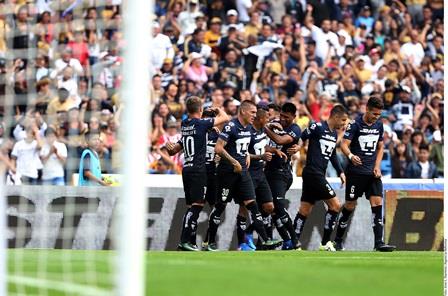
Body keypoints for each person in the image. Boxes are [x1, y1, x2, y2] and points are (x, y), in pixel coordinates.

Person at [204, 101, 283, 251]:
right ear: (243, 112)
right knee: (220, 206)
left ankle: (265, 239)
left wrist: (246, 155)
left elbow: (241, 147)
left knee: (252, 205)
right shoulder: (231, 126)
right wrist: (234, 161)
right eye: (252, 112)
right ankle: (210, 241)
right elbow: (218, 148)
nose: (255, 115)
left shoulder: (247, 129)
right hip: (227, 172)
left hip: (243, 173)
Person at [166, 96, 230, 251]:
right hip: (198, 169)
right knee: (197, 206)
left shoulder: (185, 124)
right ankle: (184, 241)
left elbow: (174, 150)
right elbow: (225, 117)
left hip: (186, 169)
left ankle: (190, 242)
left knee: (191, 207)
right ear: (200, 109)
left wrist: (171, 148)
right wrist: (216, 110)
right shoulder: (201, 124)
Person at [334, 97, 396, 252]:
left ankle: (378, 243)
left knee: (377, 204)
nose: (376, 117)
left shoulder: (379, 125)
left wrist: (377, 166)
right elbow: (343, 144)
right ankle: (338, 240)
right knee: (350, 205)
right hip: (355, 173)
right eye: (374, 113)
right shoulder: (355, 124)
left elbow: (380, 147)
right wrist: (351, 156)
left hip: (372, 173)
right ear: (367, 108)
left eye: (378, 114)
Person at [292, 105, 348, 251]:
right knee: (335, 205)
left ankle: (292, 243)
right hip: (312, 172)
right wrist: (297, 148)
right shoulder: (317, 127)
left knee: (304, 210)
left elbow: (332, 155)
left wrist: (340, 172)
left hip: (317, 174)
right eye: (342, 120)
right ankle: (325, 243)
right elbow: (301, 137)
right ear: (335, 116)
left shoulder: (334, 134)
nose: (343, 124)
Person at [238, 107, 287, 251]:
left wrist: (273, 150)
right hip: (249, 174)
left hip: (261, 174)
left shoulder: (261, 130)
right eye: (267, 117)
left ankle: (249, 233)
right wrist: (261, 157)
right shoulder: (248, 132)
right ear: (260, 119)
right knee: (244, 209)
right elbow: (244, 153)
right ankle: (242, 242)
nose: (269, 119)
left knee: (269, 207)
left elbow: (261, 145)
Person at [263, 102, 302, 249]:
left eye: (286, 117)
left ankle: (294, 240)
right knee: (268, 208)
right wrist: (269, 127)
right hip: (267, 172)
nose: (283, 119)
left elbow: (280, 140)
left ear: (293, 116)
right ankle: (282, 241)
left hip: (282, 173)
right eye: (281, 116)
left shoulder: (295, 129)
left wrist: (265, 128)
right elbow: (261, 144)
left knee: (278, 206)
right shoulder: (274, 124)